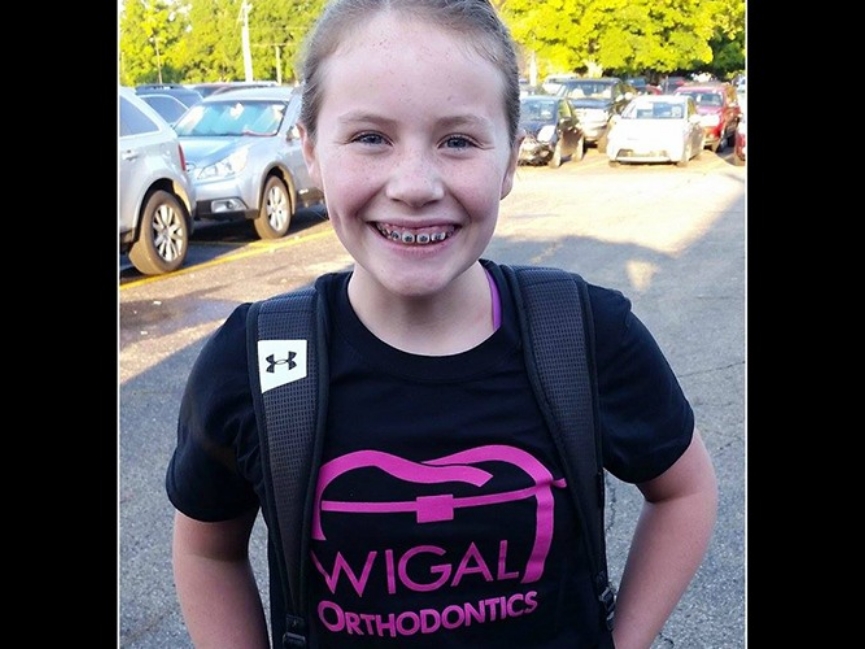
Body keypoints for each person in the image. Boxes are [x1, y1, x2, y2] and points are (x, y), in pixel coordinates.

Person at [165, 1, 718, 647]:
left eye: (457, 140)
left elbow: (683, 491)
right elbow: (208, 549)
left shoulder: (585, 333)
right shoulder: (255, 357)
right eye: (370, 137)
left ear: (510, 158)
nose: (414, 184)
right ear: (311, 150)